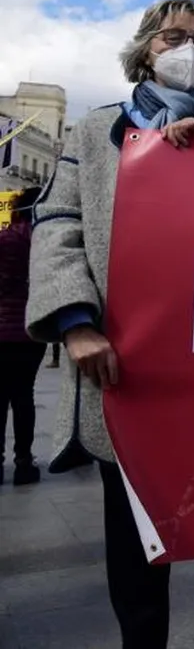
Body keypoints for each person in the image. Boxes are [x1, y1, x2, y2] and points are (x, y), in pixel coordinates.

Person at [25, 0, 194, 649]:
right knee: (135, 556)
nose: (187, 47)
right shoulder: (95, 129)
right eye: (172, 36)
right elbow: (58, 224)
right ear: (145, 48)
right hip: (127, 373)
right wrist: (76, 324)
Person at [1, 185, 46, 487]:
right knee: (24, 396)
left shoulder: (3, 239)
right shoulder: (42, 243)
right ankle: (23, 462)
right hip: (31, 333)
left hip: (1, 331)